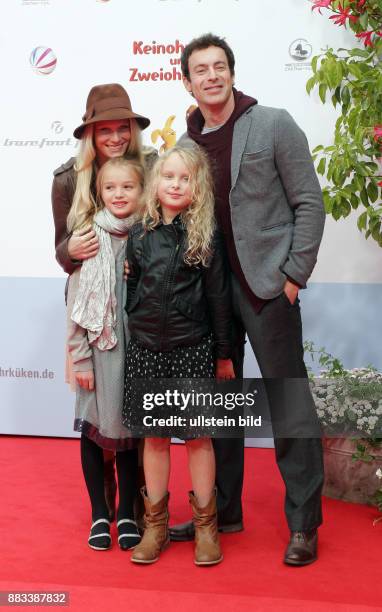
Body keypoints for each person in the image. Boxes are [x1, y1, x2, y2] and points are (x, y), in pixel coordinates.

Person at [169, 33, 326, 566]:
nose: (211, 76)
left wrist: (293, 275)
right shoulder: (186, 146)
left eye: (219, 67)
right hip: (210, 294)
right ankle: (226, 512)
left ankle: (304, 525)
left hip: (267, 289)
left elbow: (309, 202)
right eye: (200, 69)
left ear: (231, 73)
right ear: (187, 81)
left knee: (288, 406)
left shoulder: (274, 123)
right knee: (222, 409)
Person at [122, 146, 235, 566]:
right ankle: (156, 526)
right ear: (156, 182)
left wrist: (223, 353)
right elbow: (133, 286)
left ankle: (206, 526)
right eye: (168, 176)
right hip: (147, 350)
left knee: (197, 439)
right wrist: (136, 317)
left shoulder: (204, 234)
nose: (174, 184)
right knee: (154, 438)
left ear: (197, 187)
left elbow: (218, 296)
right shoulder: (139, 233)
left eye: (184, 178)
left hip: (192, 348)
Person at [51, 83, 156, 521]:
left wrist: (142, 262)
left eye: (122, 128)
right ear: (89, 135)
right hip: (91, 310)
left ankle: (139, 501)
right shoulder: (67, 180)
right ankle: (103, 496)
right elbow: (60, 251)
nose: (115, 138)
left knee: (139, 416)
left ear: (132, 129)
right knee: (98, 414)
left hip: (142, 307)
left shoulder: (153, 168)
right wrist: (71, 249)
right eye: (104, 130)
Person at [67, 157, 145, 551]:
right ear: (100, 191)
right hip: (97, 354)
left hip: (137, 353)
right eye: (111, 187)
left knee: (130, 434)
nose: (119, 194)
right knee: (95, 431)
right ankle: (100, 512)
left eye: (127, 187)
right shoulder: (89, 237)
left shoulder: (147, 235)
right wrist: (79, 358)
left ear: (140, 190)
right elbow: (77, 305)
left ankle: (129, 513)